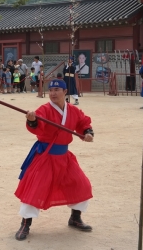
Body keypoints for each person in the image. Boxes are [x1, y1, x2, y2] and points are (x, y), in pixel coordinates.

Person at [14, 79, 94, 241]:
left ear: (65, 92)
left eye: (57, 90)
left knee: (81, 184)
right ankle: (25, 224)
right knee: (35, 190)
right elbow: (36, 125)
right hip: (46, 156)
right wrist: (32, 120)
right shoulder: (43, 109)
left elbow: (83, 123)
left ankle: (75, 218)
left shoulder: (73, 110)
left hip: (64, 157)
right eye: (50, 90)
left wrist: (88, 133)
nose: (52, 93)